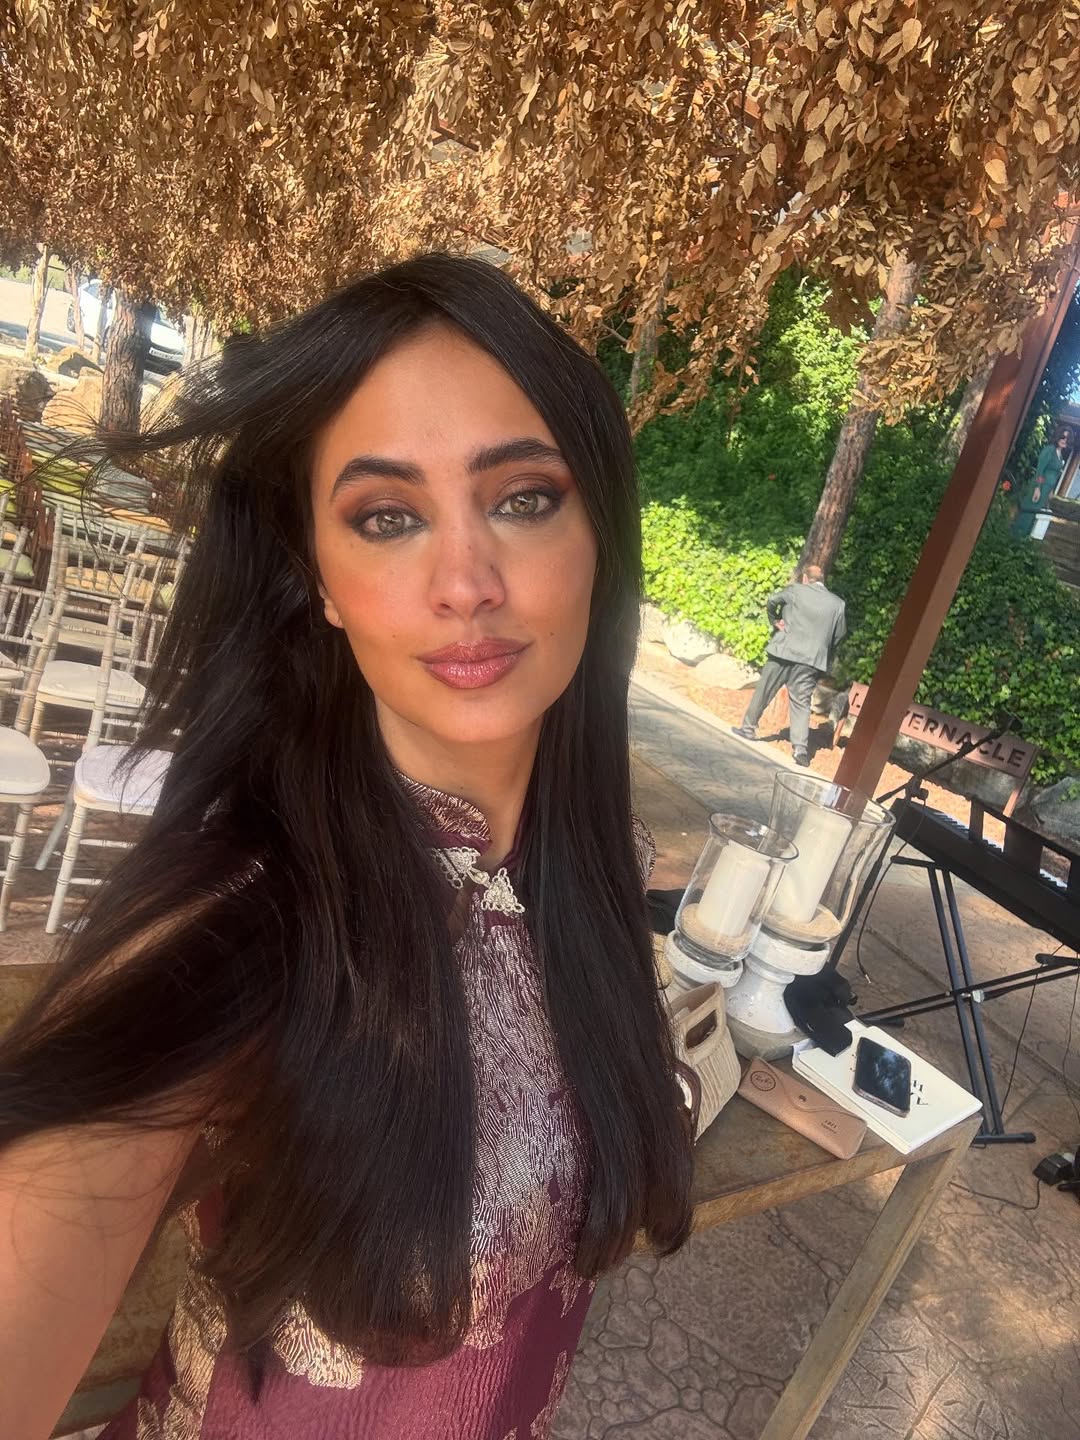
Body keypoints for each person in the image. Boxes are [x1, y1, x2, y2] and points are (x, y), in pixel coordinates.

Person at [0, 255, 694, 1440]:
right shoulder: (247, 917)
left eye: (525, 498)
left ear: (600, 536)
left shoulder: (594, 864)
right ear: (318, 579)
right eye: (386, 518)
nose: (465, 583)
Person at [733, 563, 846, 766]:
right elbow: (839, 635)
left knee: (765, 690)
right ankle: (800, 750)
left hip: (783, 651)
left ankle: (748, 728)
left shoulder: (796, 590)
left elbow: (772, 600)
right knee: (801, 702)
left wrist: (775, 621)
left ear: (805, 578)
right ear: (823, 580)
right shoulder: (837, 604)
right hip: (811, 660)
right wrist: (822, 648)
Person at [1012, 428, 1071, 537]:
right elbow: (1040, 470)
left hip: (1046, 490)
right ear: (1057, 436)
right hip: (1039, 487)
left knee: (1035, 515)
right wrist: (1037, 487)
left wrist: (1051, 490)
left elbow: (1055, 474)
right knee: (1028, 513)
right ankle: (1016, 536)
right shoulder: (1050, 450)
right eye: (1062, 437)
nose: (1064, 440)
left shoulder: (1060, 454)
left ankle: (1024, 539)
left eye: (1067, 438)